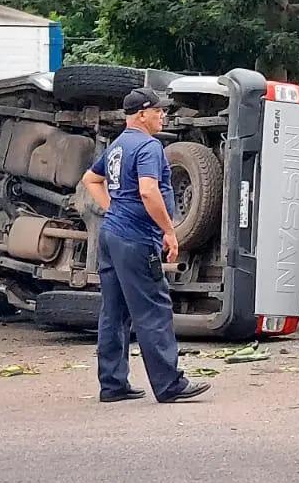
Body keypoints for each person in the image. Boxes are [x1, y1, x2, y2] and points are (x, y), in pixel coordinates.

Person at [80, 89, 210, 405]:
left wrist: (113, 209)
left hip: (111, 237)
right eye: (158, 112)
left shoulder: (117, 146)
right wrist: (169, 231)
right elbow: (149, 192)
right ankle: (169, 384)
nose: (162, 116)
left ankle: (112, 384)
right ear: (142, 114)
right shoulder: (149, 147)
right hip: (137, 239)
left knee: (114, 310)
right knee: (154, 309)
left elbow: (90, 180)